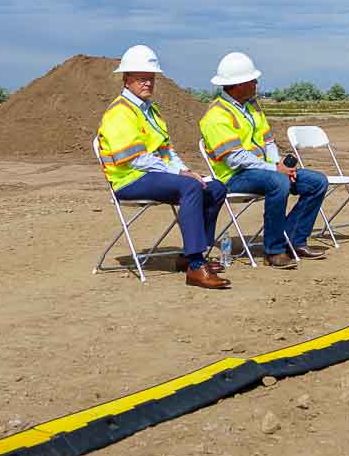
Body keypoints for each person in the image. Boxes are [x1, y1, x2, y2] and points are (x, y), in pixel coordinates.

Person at [97, 45, 231, 289]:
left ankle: (190, 254)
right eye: (141, 79)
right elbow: (135, 159)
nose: (147, 83)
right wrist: (181, 174)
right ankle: (195, 265)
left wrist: (185, 170)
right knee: (190, 186)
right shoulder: (119, 112)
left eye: (150, 78)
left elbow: (166, 151)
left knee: (216, 187)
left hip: (152, 174)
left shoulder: (151, 111)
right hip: (129, 179)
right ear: (126, 80)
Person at [196, 52, 328, 269]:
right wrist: (275, 170)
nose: (256, 83)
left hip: (264, 171)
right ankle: (274, 251)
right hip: (235, 177)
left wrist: (281, 166)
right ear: (237, 85)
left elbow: (268, 142)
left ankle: (293, 241)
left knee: (317, 182)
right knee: (279, 183)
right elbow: (235, 158)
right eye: (252, 80)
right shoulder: (215, 116)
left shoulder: (252, 108)